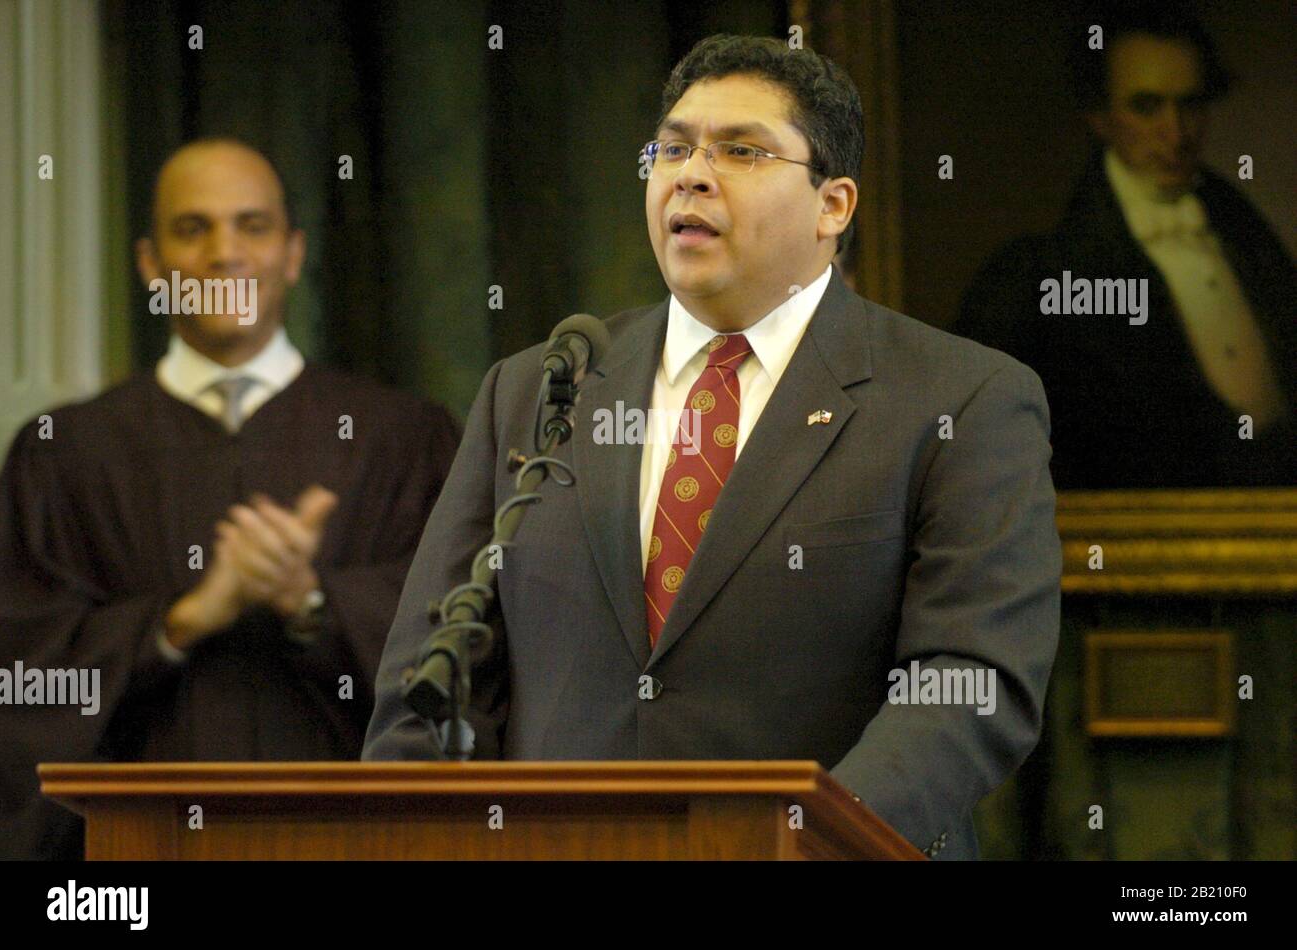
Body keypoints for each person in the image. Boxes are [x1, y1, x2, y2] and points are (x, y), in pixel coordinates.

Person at [364, 35, 1061, 861]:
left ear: (833, 205)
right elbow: (435, 680)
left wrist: (795, 842)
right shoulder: (540, 389)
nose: (690, 173)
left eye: (740, 150)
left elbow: (970, 683)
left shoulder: (960, 399)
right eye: (673, 147)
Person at [0, 138, 461, 859]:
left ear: (293, 253)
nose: (225, 253)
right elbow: (20, 678)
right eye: (193, 228)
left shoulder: (401, 437)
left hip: (352, 842)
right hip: (134, 859)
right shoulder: (63, 452)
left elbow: (464, 644)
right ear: (151, 266)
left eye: (252, 226)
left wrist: (312, 602)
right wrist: (179, 623)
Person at [956, 2, 1297, 488]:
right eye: (1147, 106)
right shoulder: (1043, 270)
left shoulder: (1249, 238)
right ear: (1101, 116)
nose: (1176, 132)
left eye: (1191, 104)